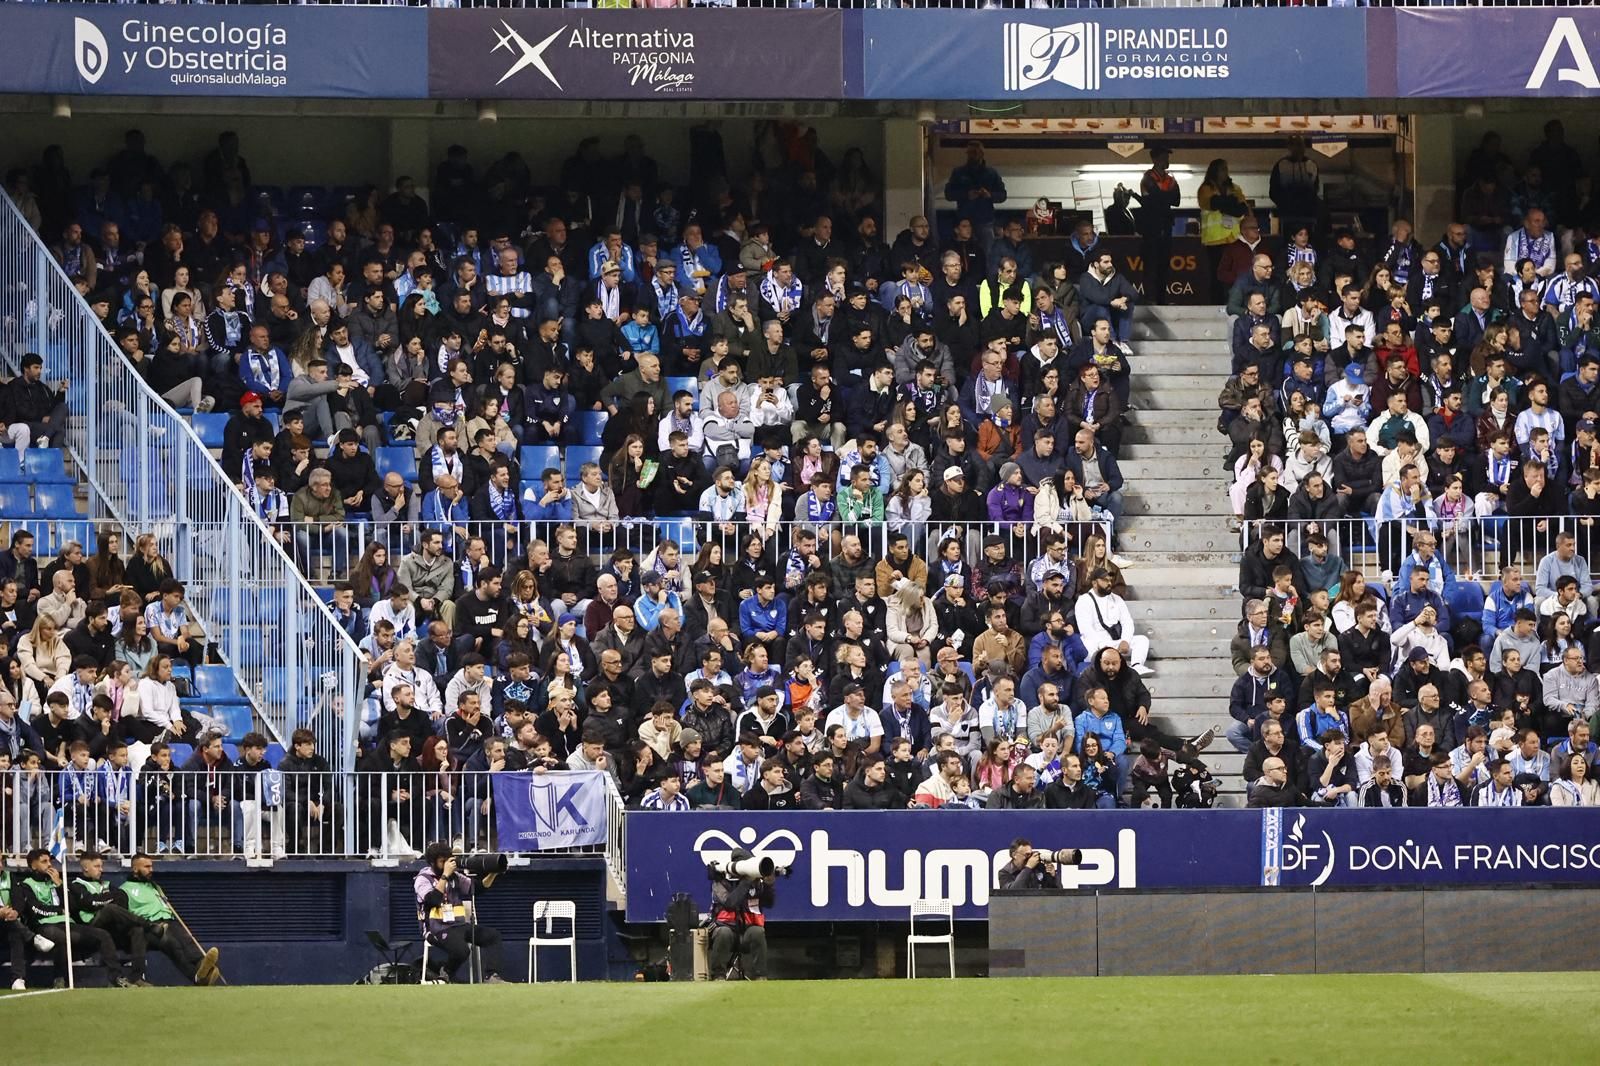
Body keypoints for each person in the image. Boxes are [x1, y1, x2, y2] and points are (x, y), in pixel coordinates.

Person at [413, 841, 505, 983]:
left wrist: (494, 873)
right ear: (432, 863)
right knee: (462, 951)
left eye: (447, 861)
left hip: (458, 925)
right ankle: (446, 972)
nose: (446, 865)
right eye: (441, 861)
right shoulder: (423, 879)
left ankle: (492, 977)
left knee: (493, 936)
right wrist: (445, 876)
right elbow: (433, 900)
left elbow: (478, 888)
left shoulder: (455, 876)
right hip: (436, 928)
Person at [707, 848, 774, 979]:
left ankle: (761, 976)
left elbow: (769, 903)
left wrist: (768, 886)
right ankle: (718, 975)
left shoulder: (756, 883)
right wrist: (746, 883)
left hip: (747, 930)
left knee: (757, 932)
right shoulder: (720, 883)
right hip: (726, 928)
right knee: (723, 933)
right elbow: (730, 904)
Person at [995, 838, 1063, 891]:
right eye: (1026, 855)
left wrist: (1053, 877)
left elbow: (1058, 892)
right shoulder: (1005, 873)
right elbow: (1013, 892)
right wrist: (1028, 868)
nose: (1030, 858)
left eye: (1031, 854)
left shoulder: (1038, 868)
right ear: (1014, 855)